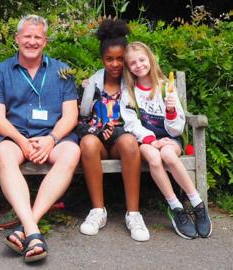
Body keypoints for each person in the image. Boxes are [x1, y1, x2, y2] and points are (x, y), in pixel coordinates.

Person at [0, 14, 80, 263]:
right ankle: (34, 232)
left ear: (45, 41)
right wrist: (21, 141)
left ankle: (27, 227)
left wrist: (51, 139)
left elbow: (71, 115)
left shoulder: (62, 71)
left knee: (72, 153)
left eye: (38, 37)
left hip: (53, 136)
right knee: (3, 154)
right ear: (17, 38)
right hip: (15, 137)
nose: (32, 41)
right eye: (27, 36)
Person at [121, 41, 212, 239]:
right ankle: (176, 207)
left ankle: (197, 204)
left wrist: (170, 110)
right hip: (145, 141)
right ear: (128, 67)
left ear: (150, 60)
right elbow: (130, 123)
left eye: (142, 60)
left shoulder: (165, 88)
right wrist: (151, 140)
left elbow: (177, 128)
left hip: (170, 138)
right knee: (154, 156)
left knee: (168, 154)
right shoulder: (129, 92)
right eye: (133, 63)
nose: (139, 65)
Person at [77, 19, 150, 242]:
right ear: (102, 60)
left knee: (128, 142)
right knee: (87, 143)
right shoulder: (92, 84)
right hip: (97, 139)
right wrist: (97, 132)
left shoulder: (133, 84)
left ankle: (134, 214)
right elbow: (82, 117)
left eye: (120, 59)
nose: (115, 64)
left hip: (122, 140)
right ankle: (98, 211)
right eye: (110, 59)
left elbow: (143, 116)